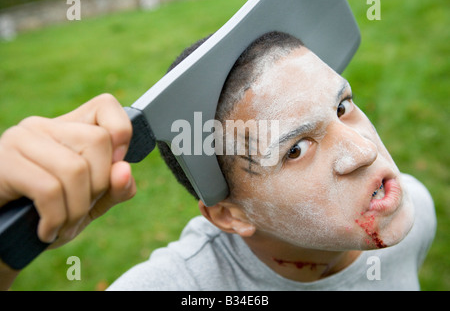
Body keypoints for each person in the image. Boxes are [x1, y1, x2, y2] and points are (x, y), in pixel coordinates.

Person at [0, 32, 436, 291]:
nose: (363, 151)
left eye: (342, 106)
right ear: (230, 215)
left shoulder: (413, 212)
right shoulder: (188, 286)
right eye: (296, 149)